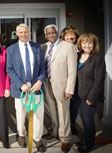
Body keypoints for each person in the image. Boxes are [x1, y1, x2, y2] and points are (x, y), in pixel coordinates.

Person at [7, 23, 45, 152]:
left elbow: (43, 68)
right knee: (21, 113)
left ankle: (37, 138)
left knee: (38, 114)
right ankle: (22, 135)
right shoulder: (11, 49)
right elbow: (10, 69)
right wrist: (21, 84)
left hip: (36, 87)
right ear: (16, 33)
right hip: (21, 88)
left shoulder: (37, 47)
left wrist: (40, 80)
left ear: (29, 32)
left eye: (26, 32)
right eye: (21, 32)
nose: (24, 34)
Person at [41, 24, 77, 153]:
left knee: (63, 111)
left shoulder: (68, 46)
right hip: (47, 83)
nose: (51, 35)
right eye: (48, 33)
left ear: (57, 32)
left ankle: (65, 139)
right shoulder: (43, 47)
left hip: (62, 85)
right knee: (52, 109)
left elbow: (73, 70)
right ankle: (55, 131)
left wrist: (69, 89)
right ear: (46, 34)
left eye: (53, 32)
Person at [76, 33, 105, 153]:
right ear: (80, 44)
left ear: (94, 44)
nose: (87, 45)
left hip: (89, 96)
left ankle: (88, 144)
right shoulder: (77, 55)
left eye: (90, 43)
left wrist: (91, 97)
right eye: (84, 43)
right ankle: (86, 140)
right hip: (78, 94)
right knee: (82, 118)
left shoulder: (97, 59)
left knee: (88, 121)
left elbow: (99, 80)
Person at [60, 26, 80, 135]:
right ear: (63, 37)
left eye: (72, 35)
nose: (70, 37)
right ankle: (62, 125)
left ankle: (72, 124)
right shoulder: (60, 49)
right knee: (63, 106)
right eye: (67, 35)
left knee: (74, 105)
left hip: (77, 83)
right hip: (63, 82)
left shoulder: (81, 50)